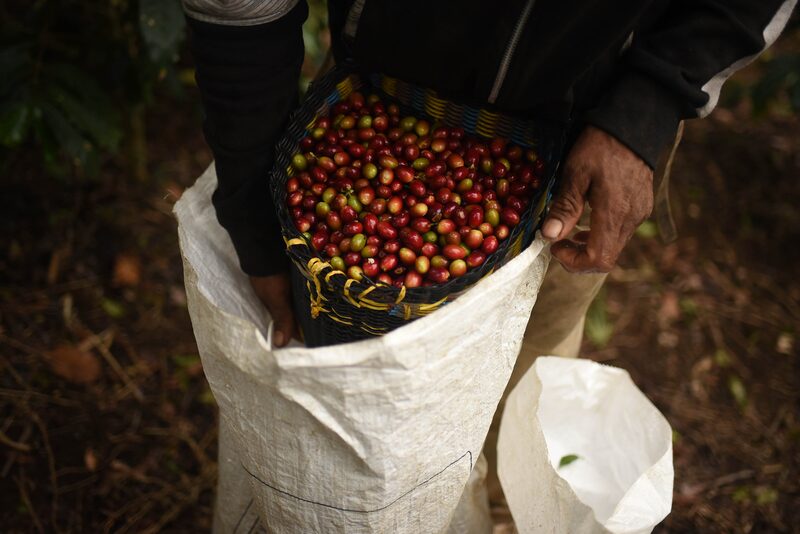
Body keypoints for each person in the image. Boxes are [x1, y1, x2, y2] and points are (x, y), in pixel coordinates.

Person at [182, 0, 795, 528]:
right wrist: (249, 197)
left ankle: (485, 502)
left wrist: (653, 102)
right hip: (375, 82)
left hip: (587, 135)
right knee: (356, 423)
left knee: (521, 382)